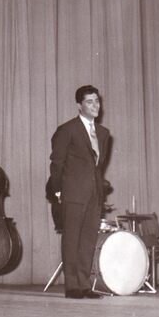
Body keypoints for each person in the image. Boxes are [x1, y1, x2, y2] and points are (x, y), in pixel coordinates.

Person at [49, 85, 110, 299]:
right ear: (79, 105)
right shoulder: (67, 130)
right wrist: (58, 191)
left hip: (94, 195)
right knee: (72, 239)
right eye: (89, 102)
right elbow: (57, 163)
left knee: (88, 240)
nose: (95, 105)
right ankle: (72, 286)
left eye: (97, 101)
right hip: (72, 193)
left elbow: (97, 167)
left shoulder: (103, 133)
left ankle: (84, 285)